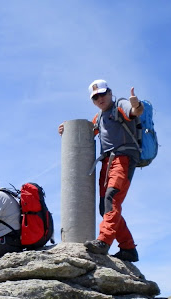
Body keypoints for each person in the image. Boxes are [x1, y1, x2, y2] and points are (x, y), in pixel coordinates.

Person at [58, 79, 143, 262]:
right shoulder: (98, 118)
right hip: (107, 162)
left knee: (112, 198)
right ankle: (128, 248)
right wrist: (67, 128)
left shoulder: (120, 104)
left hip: (123, 158)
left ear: (110, 93)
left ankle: (104, 241)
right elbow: (87, 132)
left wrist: (137, 105)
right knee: (105, 207)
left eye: (102, 94)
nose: (100, 98)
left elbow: (135, 112)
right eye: (95, 97)